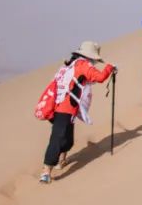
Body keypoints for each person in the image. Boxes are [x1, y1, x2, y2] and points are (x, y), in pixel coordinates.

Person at [39, 41, 115, 183]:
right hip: (65, 107)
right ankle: (46, 171)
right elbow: (99, 77)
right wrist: (109, 68)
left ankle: (60, 161)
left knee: (68, 140)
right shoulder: (83, 65)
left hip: (58, 105)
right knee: (58, 138)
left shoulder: (69, 64)